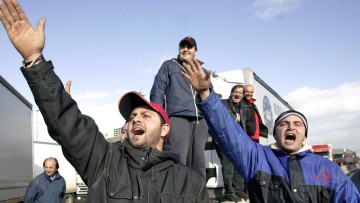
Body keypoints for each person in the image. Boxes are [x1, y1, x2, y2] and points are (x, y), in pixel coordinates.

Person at [0, 1, 208, 202]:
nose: (135, 119)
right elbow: (67, 122)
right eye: (132, 116)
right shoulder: (104, 160)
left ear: (165, 129)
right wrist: (34, 59)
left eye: (145, 115)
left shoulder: (190, 183)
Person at [180, 57, 360, 202]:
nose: (290, 126)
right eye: (283, 124)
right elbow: (228, 132)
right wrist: (206, 94)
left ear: (304, 135)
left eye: (298, 124)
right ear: (275, 134)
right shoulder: (258, 158)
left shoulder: (328, 169)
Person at [149, 36, 211, 179]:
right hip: (178, 117)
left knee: (199, 163)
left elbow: (210, 96)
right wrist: (158, 117)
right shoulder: (169, 65)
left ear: (195, 51)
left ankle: (198, 197)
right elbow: (158, 90)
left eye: (189, 47)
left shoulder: (203, 70)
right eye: (182, 46)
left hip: (201, 120)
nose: (185, 49)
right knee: (177, 160)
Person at [218, 85, 247, 202]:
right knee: (228, 168)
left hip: (239, 142)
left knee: (239, 167)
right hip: (225, 140)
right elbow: (213, 119)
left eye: (240, 93)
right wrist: (217, 138)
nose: (238, 94)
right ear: (231, 93)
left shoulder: (243, 107)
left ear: (243, 95)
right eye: (236, 92)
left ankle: (238, 191)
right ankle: (229, 192)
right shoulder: (223, 104)